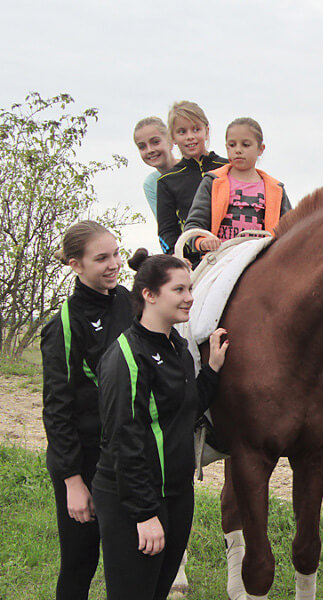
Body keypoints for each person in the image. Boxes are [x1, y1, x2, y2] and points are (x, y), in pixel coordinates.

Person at [92, 249, 229, 600]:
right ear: (149, 295)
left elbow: (187, 409)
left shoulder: (177, 346)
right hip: (135, 501)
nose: (190, 297)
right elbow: (125, 437)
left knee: (158, 592)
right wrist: (144, 513)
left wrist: (211, 370)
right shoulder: (127, 355)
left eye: (189, 289)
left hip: (177, 494)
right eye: (179, 290)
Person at [41, 220, 133, 600]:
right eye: (101, 258)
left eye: (115, 253)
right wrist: (72, 482)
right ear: (76, 265)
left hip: (128, 457)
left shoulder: (130, 301)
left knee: (128, 566)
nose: (114, 264)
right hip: (86, 461)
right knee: (80, 564)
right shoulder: (63, 323)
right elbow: (57, 408)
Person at [183, 117, 291, 255]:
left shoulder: (275, 189)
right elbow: (194, 225)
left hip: (260, 259)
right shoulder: (213, 181)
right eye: (232, 145)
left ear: (260, 149)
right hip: (220, 257)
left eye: (245, 145)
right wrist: (202, 241)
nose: (238, 150)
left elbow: (290, 229)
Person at [156, 101, 228, 255]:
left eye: (196, 129)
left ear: (206, 131)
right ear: (172, 137)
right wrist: (176, 257)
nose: (190, 137)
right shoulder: (167, 180)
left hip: (231, 250)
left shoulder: (229, 167)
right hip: (193, 260)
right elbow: (166, 230)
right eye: (182, 132)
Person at [133, 116, 177, 218]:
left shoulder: (191, 169)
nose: (150, 150)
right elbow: (165, 224)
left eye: (155, 142)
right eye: (142, 146)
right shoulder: (151, 183)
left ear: (170, 141)